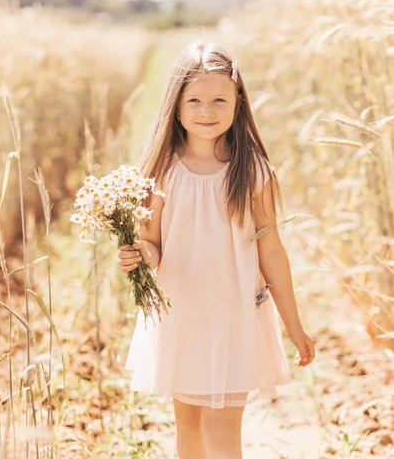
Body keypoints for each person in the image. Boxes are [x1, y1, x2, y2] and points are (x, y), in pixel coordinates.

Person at [117, 40, 315, 459]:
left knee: (222, 434)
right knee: (188, 432)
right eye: (195, 100)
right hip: (181, 317)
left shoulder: (253, 171)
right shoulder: (162, 170)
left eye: (219, 99)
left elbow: (272, 252)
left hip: (234, 317)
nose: (207, 111)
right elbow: (153, 242)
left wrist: (293, 324)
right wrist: (139, 255)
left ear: (238, 102)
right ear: (176, 104)